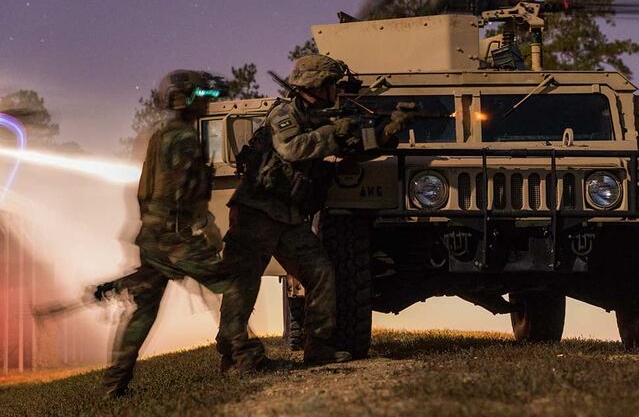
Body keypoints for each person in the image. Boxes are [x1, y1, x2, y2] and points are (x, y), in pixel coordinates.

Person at [216, 54, 413, 366]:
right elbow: (292, 148)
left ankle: (319, 347)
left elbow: (353, 146)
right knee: (243, 284)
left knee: (321, 273)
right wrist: (333, 132)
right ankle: (234, 355)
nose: (337, 91)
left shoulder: (323, 117)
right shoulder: (286, 113)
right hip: (257, 212)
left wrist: (389, 130)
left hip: (289, 217)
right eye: (333, 84)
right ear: (317, 85)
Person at [100, 70, 267, 398]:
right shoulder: (186, 139)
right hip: (174, 238)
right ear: (189, 101)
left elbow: (147, 190)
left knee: (144, 309)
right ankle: (247, 358)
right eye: (202, 98)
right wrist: (196, 231)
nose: (207, 103)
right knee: (232, 284)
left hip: (151, 236)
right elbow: (181, 192)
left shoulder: (160, 135)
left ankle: (113, 385)